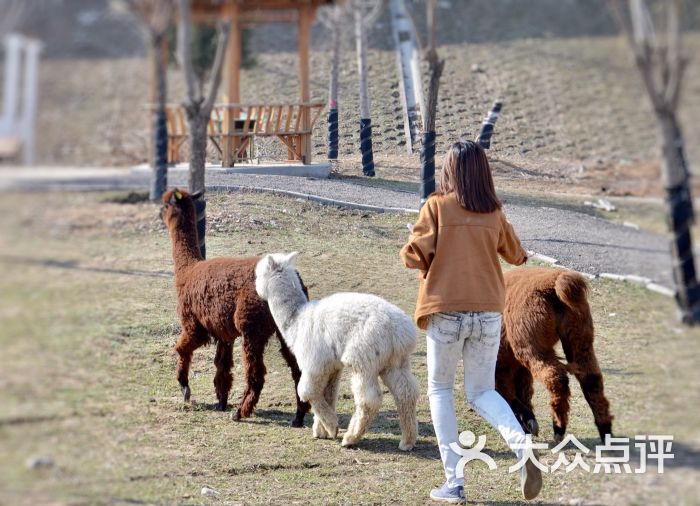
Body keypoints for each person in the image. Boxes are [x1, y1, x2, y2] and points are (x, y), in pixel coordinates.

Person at [400, 140, 542, 503]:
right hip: (488, 314)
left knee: (441, 391)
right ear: (483, 173)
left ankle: (454, 482)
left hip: (445, 311)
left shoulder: (436, 206)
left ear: (449, 170)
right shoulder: (493, 213)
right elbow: (517, 254)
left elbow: (413, 255)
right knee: (482, 392)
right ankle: (519, 444)